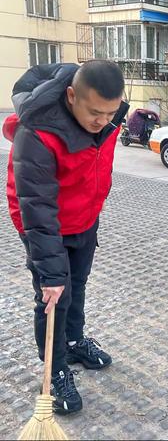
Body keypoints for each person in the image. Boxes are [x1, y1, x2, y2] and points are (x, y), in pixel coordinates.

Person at [3, 61, 128, 414]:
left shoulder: (107, 117)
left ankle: (74, 342)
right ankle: (54, 367)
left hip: (84, 220)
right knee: (54, 295)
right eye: (94, 113)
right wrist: (52, 274)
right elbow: (37, 208)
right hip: (43, 224)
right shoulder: (38, 133)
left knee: (78, 287)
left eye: (111, 112)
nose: (102, 121)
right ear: (72, 96)